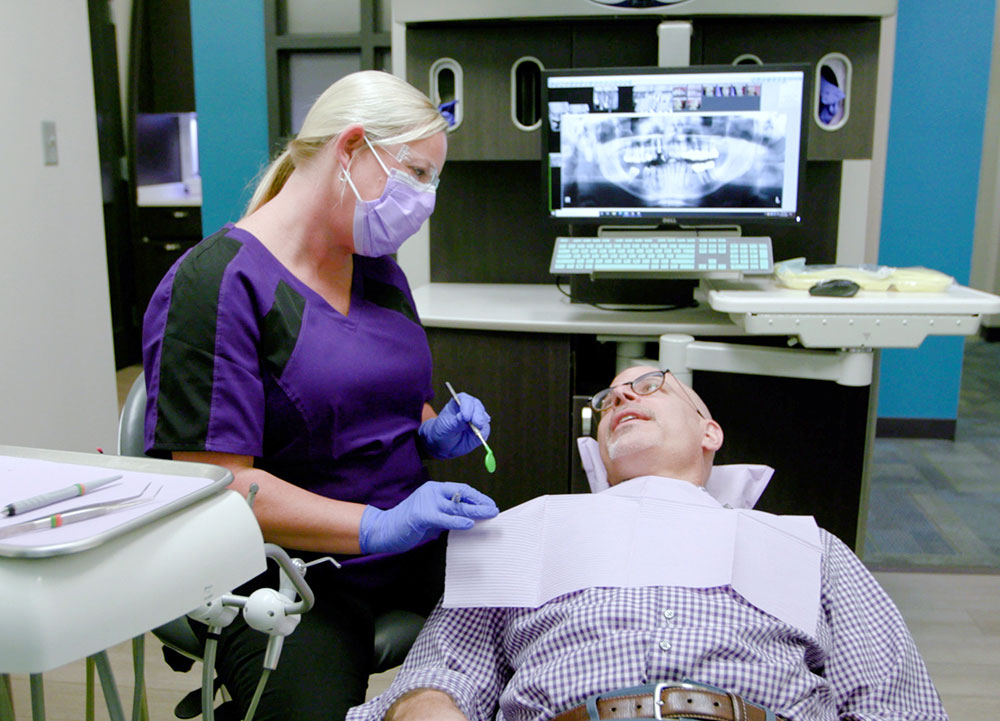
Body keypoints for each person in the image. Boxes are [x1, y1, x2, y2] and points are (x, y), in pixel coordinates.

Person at [141, 70, 498, 720]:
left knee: (543, 619)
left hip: (411, 548)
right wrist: (375, 524)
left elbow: (384, 399)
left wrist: (430, 429)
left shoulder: (375, 266)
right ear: (352, 148)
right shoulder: (217, 284)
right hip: (292, 571)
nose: (425, 199)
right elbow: (216, 485)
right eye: (417, 173)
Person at [347, 366, 948, 721]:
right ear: (600, 452)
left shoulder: (807, 546)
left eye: (651, 386)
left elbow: (893, 702)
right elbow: (438, 678)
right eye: (608, 401)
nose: (622, 399)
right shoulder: (523, 530)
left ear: (710, 432)